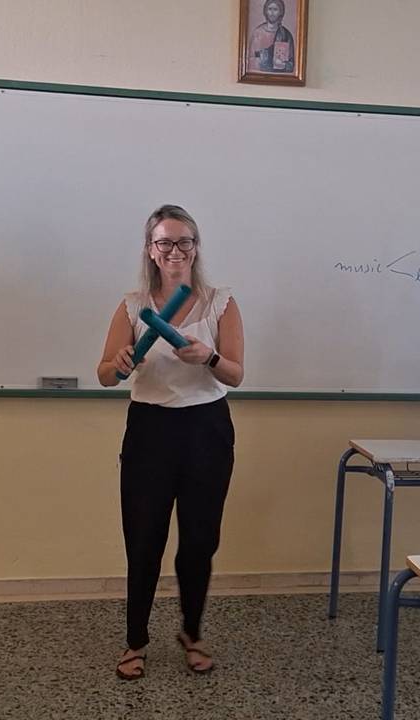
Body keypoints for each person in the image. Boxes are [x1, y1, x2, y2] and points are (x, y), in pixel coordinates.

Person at [97, 204, 245, 681]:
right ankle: (135, 641)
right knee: (143, 540)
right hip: (150, 431)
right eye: (164, 242)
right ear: (150, 249)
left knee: (199, 541)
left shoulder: (220, 302)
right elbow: (104, 374)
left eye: (184, 241)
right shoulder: (133, 305)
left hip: (206, 430)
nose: (174, 250)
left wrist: (209, 357)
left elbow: (236, 374)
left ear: (196, 248)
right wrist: (120, 363)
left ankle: (192, 633)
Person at [249, 0, 296, 73]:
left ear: (280, 12)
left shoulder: (286, 35)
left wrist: (283, 65)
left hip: (278, 77)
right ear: (266, 11)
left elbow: (291, 65)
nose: (272, 13)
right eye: (270, 9)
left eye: (275, 9)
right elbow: (250, 59)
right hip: (259, 76)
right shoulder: (258, 33)